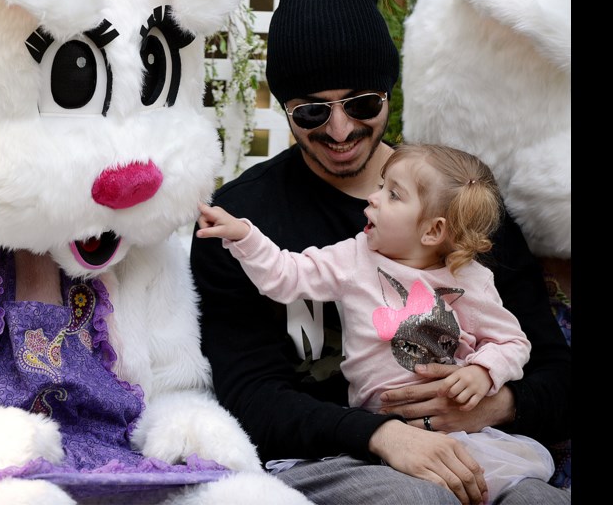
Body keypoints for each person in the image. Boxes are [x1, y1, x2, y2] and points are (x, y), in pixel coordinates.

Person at [190, 0, 571, 505]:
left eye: (363, 103)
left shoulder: (459, 200)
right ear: (284, 108)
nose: (341, 131)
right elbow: (250, 396)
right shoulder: (249, 218)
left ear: (389, 91)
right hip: (329, 455)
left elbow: (554, 367)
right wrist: (379, 435)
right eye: (313, 111)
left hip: (481, 441)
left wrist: (500, 401)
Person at [196, 143, 555, 500]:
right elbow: (286, 275)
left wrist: (483, 372)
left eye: (393, 195)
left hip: (463, 433)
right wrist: (244, 236)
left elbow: (513, 343)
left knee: (531, 496)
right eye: (382, 185)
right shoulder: (354, 257)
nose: (373, 197)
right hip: (375, 436)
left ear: (433, 231)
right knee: (423, 496)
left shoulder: (470, 279)